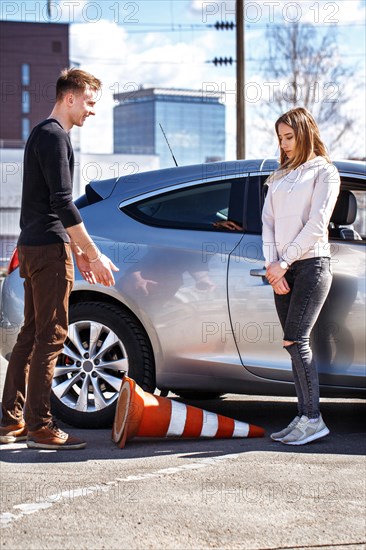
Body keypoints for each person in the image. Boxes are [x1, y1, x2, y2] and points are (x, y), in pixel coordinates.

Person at [0, 68, 119, 450]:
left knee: (31, 335)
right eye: (89, 102)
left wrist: (75, 253)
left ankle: (9, 421)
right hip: (48, 252)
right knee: (52, 336)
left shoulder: (41, 134)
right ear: (70, 98)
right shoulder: (55, 138)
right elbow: (62, 203)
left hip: (35, 246)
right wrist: (93, 253)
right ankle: (40, 426)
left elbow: (46, 207)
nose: (92, 111)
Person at [262, 107, 340, 446]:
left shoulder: (325, 172)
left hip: (312, 265)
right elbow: (267, 223)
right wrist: (273, 266)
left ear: (305, 134)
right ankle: (303, 415)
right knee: (293, 346)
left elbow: (317, 225)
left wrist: (286, 261)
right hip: (283, 269)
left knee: (297, 340)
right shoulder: (279, 175)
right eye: (280, 138)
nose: (284, 144)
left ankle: (313, 418)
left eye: (289, 137)